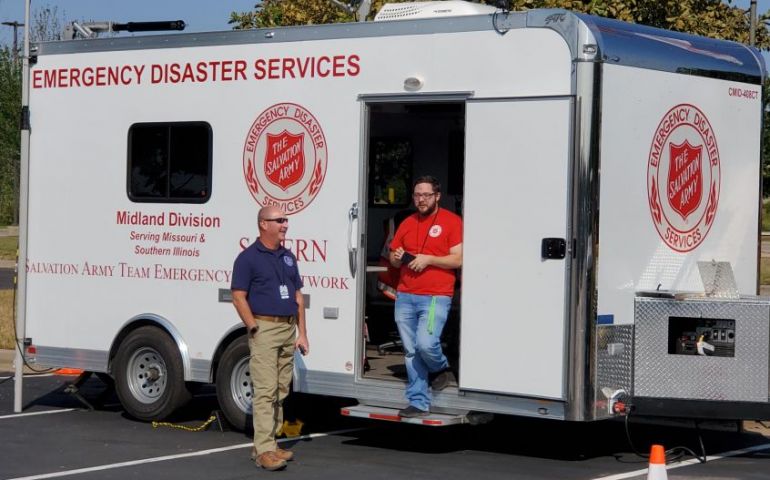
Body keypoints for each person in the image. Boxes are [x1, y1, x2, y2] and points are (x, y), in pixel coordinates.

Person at [231, 205, 309, 471]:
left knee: (280, 389)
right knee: (265, 391)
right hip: (265, 328)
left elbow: (298, 297)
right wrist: (252, 326)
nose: (285, 224)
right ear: (263, 224)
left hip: (287, 329)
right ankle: (263, 451)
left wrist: (302, 334)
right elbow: (238, 295)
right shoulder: (248, 258)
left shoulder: (288, 257)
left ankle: (271, 443)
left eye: (285, 220)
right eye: (279, 220)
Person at [389, 175, 463, 418]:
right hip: (405, 294)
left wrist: (429, 259)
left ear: (437, 196)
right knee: (411, 351)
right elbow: (392, 257)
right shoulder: (407, 222)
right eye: (417, 195)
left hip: (435, 295)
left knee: (425, 343)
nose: (421, 199)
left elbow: (458, 259)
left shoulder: (452, 222)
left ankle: (441, 368)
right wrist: (398, 257)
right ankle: (419, 401)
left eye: (426, 195)